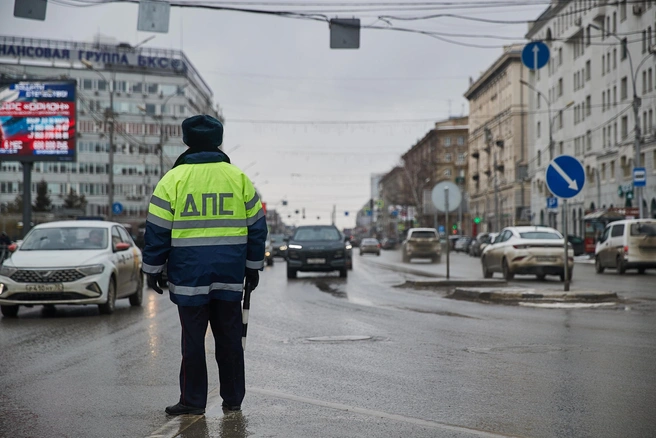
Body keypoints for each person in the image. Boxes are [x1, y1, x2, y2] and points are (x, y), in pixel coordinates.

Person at [142, 114, 267, 416]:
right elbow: (257, 227)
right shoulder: (237, 178)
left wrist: (152, 269)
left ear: (186, 141)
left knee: (193, 342)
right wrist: (252, 267)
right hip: (229, 275)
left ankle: (193, 401)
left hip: (188, 276)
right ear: (219, 140)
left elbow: (156, 231)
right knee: (229, 339)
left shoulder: (173, 180)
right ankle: (233, 400)